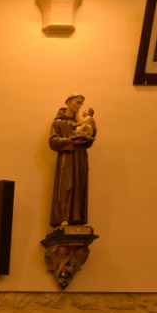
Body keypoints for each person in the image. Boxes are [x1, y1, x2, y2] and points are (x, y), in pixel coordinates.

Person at [48, 93, 95, 228]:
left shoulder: (80, 122)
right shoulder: (58, 123)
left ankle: (77, 219)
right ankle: (63, 218)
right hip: (67, 158)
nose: (80, 106)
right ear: (68, 102)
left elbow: (88, 142)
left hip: (81, 157)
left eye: (82, 104)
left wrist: (92, 131)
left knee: (80, 187)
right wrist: (71, 141)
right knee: (65, 187)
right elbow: (53, 142)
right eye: (78, 102)